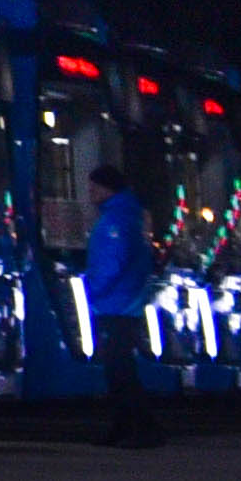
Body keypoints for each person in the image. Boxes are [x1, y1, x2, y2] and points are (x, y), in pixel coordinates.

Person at [86, 152, 164, 448]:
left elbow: (112, 261)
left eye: (94, 188)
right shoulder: (129, 214)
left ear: (107, 188)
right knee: (118, 370)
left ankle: (144, 429)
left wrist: (93, 290)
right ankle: (123, 428)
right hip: (126, 301)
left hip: (115, 303)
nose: (90, 194)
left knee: (121, 372)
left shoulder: (116, 219)